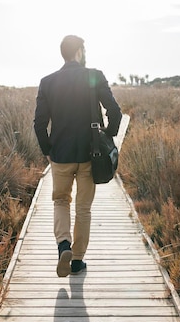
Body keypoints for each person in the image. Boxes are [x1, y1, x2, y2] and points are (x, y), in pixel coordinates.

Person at [33, 35, 122, 277]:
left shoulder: (47, 82)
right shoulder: (94, 75)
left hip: (60, 155)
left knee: (61, 201)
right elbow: (115, 111)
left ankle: (63, 245)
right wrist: (108, 135)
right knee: (83, 208)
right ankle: (77, 261)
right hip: (89, 154)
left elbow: (39, 124)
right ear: (79, 52)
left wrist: (48, 150)